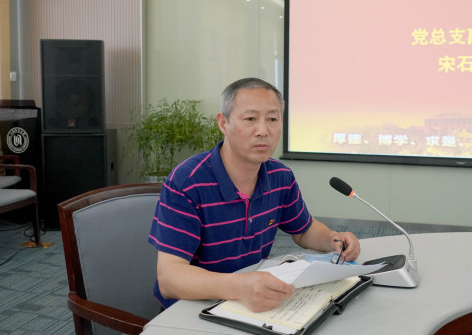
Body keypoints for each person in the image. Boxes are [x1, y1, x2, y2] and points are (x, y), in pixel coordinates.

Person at [148, 77, 360, 312]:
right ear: (223, 123)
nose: (263, 131)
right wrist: (238, 286)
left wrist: (333, 239)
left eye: (272, 119)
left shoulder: (280, 176)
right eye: (250, 119)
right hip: (191, 309)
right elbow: (169, 278)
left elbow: (303, 230)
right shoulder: (187, 182)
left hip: (250, 302)